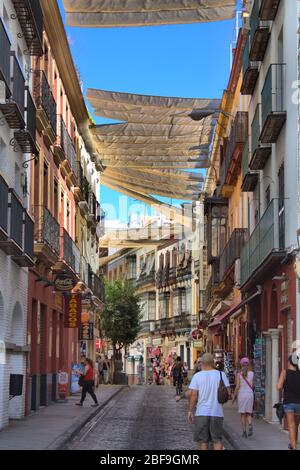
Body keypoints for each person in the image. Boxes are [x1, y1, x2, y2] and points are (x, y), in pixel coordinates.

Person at [188, 352, 230, 451]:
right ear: (213, 363)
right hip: (217, 412)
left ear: (202, 363)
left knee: (203, 441)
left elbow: (193, 395)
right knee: (217, 440)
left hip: (201, 412)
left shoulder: (197, 376)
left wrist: (190, 411)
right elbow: (228, 392)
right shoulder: (221, 374)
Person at [277, 354, 300, 450]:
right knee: (296, 426)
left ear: (289, 362)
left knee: (291, 426)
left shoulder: (284, 372)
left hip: (289, 402)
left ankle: (294, 447)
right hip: (299, 403)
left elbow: (278, 386)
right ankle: (292, 444)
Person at [232, 357, 254, 438]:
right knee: (249, 413)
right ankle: (250, 424)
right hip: (250, 395)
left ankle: (244, 432)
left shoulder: (239, 374)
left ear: (241, 364)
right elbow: (252, 385)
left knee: (242, 414)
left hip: (242, 395)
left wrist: (234, 396)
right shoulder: (252, 373)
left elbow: (237, 387)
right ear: (248, 364)